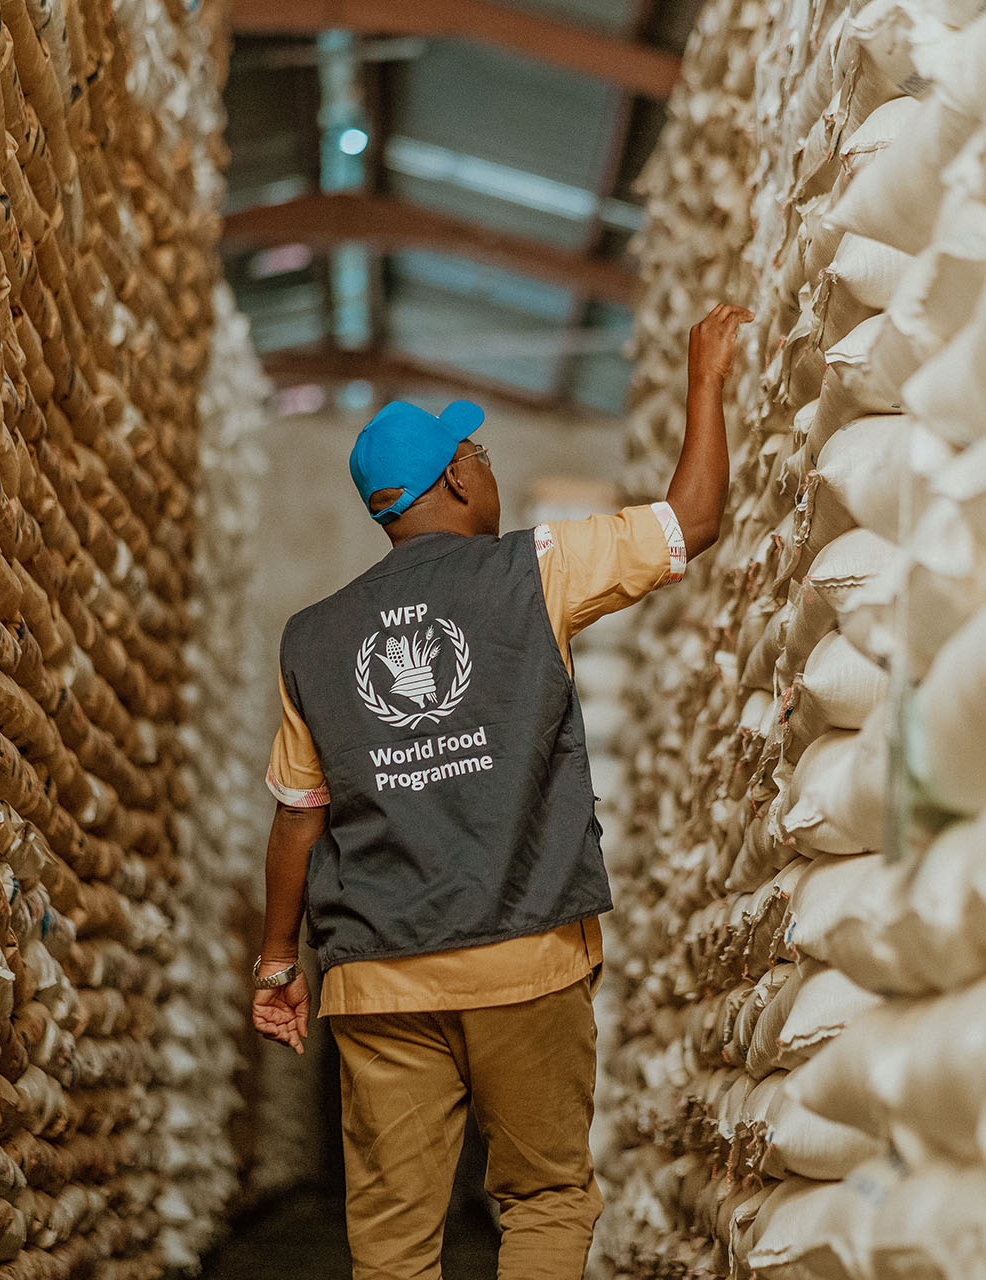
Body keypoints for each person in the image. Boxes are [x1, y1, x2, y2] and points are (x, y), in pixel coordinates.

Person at [250, 302, 752, 1279]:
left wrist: (278, 962)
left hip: (378, 975)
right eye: (473, 451)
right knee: (546, 1197)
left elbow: (297, 821)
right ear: (452, 479)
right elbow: (690, 520)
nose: (486, 463)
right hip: (525, 957)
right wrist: (705, 379)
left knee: (393, 1237)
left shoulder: (312, 636)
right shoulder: (538, 570)